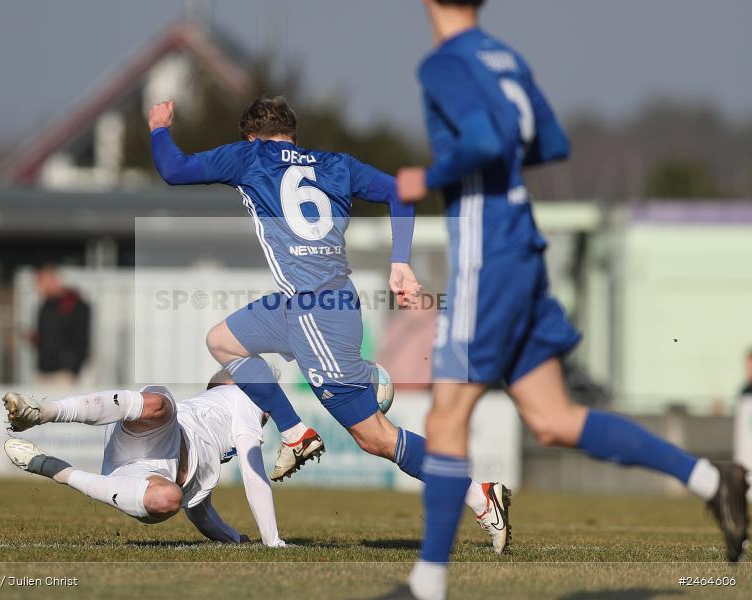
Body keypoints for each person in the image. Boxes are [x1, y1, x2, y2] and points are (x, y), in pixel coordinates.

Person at [394, 1, 749, 597]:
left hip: (490, 254)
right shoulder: (504, 56)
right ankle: (713, 480)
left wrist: (426, 179)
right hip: (524, 247)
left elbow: (482, 139)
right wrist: (497, 153)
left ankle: (427, 586)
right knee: (554, 419)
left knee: (445, 417)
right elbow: (548, 140)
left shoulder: (443, 64)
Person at [148, 96, 511, 553]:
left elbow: (174, 169)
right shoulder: (336, 164)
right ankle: (296, 431)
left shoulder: (250, 156)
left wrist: (159, 128)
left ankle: (478, 494)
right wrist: (400, 262)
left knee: (375, 437)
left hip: (317, 312)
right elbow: (402, 190)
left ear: (251, 135)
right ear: (293, 135)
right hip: (304, 304)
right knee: (222, 341)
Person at [2, 372, 284, 546]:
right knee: (159, 404)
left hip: (134, 472)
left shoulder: (217, 437)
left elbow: (197, 505)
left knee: (168, 499)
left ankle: (54, 468)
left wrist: (232, 537)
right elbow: (253, 473)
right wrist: (273, 541)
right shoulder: (244, 396)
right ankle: (41, 413)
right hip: (153, 433)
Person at [32, 265, 91, 387]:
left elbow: (81, 339)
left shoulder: (74, 305)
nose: (39, 288)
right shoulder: (46, 306)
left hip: (64, 374)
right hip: (44, 371)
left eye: (41, 282)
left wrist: (72, 368)